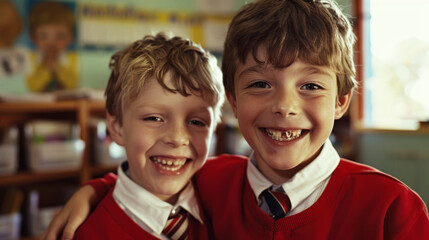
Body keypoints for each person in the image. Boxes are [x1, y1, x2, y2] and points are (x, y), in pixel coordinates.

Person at [43, 0, 429, 239]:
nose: (285, 106)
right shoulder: (210, 182)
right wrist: (94, 191)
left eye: (310, 86)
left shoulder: (392, 210)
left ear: (342, 101)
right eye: (260, 83)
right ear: (232, 101)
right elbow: (145, 184)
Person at [47, 32, 224, 240]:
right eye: (154, 118)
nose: (177, 138)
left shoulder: (226, 195)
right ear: (117, 128)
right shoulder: (87, 233)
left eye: (197, 122)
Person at [26, 1, 78, 92]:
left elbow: (73, 84)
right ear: (32, 37)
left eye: (60, 36)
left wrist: (58, 68)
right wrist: (47, 70)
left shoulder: (72, 58)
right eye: (43, 36)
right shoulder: (30, 59)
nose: (51, 43)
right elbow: (32, 86)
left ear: (71, 37)